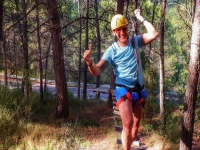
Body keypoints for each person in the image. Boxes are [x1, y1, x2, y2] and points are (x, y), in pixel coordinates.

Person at [83, 9, 158, 150]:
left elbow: (154, 34)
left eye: (123, 28)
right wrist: (89, 62)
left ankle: (129, 144)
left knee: (135, 128)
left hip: (139, 91)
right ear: (114, 33)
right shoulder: (112, 50)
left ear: (127, 28)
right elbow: (97, 70)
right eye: (118, 30)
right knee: (128, 124)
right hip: (123, 90)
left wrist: (141, 18)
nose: (122, 33)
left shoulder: (135, 42)